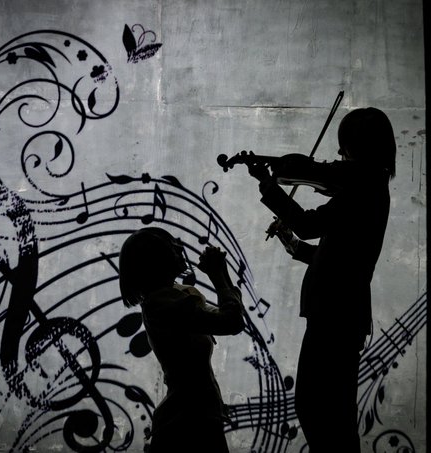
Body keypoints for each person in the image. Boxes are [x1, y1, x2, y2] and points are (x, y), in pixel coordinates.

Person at [247, 107, 396, 453]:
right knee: (329, 411)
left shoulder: (364, 189)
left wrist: (268, 184)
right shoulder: (366, 189)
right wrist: (294, 245)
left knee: (318, 408)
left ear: (361, 147)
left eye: (345, 147)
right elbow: (339, 257)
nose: (339, 155)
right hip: (339, 313)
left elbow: (308, 224)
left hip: (336, 314)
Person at [119, 227, 245, 453]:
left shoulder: (178, 295)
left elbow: (231, 316)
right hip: (188, 422)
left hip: (197, 415)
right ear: (155, 260)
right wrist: (218, 276)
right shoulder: (163, 305)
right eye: (170, 244)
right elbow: (231, 322)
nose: (179, 246)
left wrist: (221, 274)